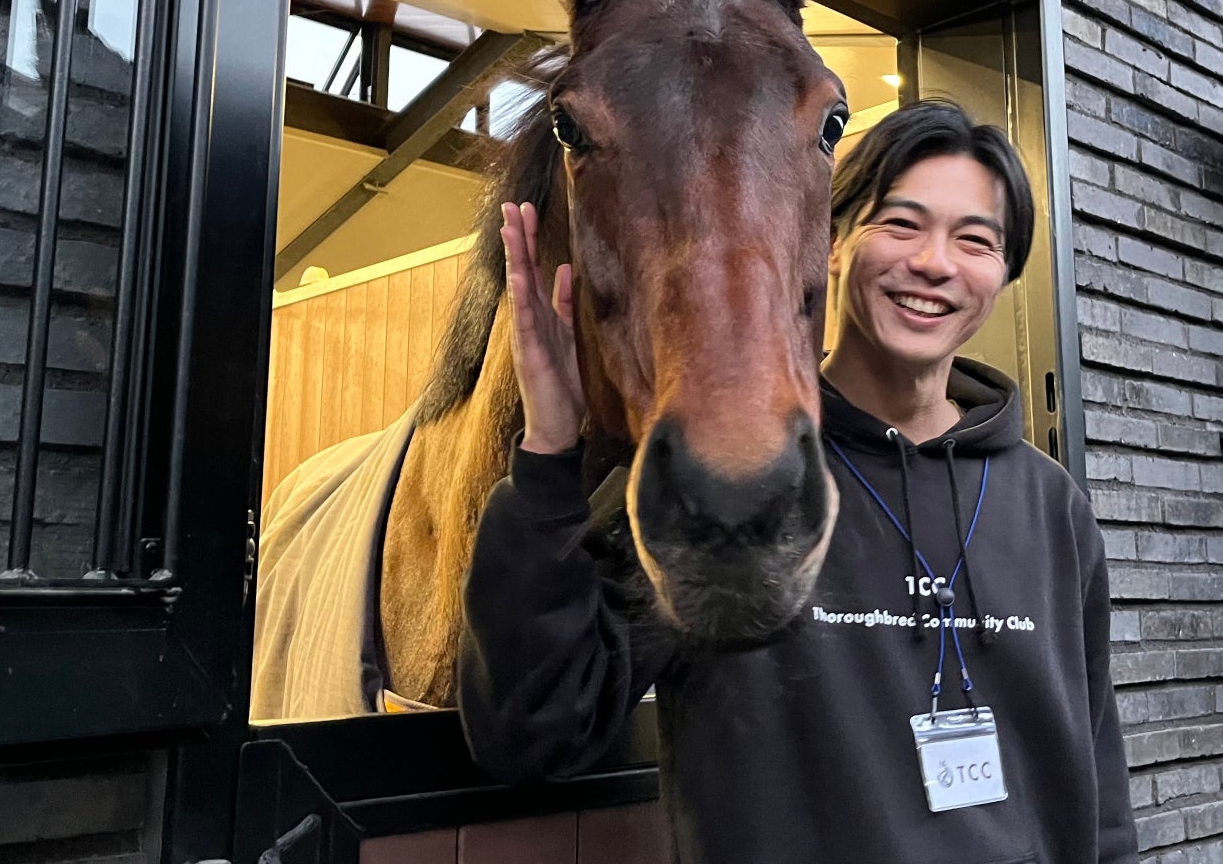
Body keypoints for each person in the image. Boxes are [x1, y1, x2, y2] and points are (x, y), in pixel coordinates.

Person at [458, 100, 1137, 864]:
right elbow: (533, 727)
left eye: (975, 241)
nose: (935, 263)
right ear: (833, 242)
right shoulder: (733, 476)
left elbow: (1098, 786)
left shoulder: (1052, 506)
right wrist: (549, 452)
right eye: (902, 224)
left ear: (1003, 274)